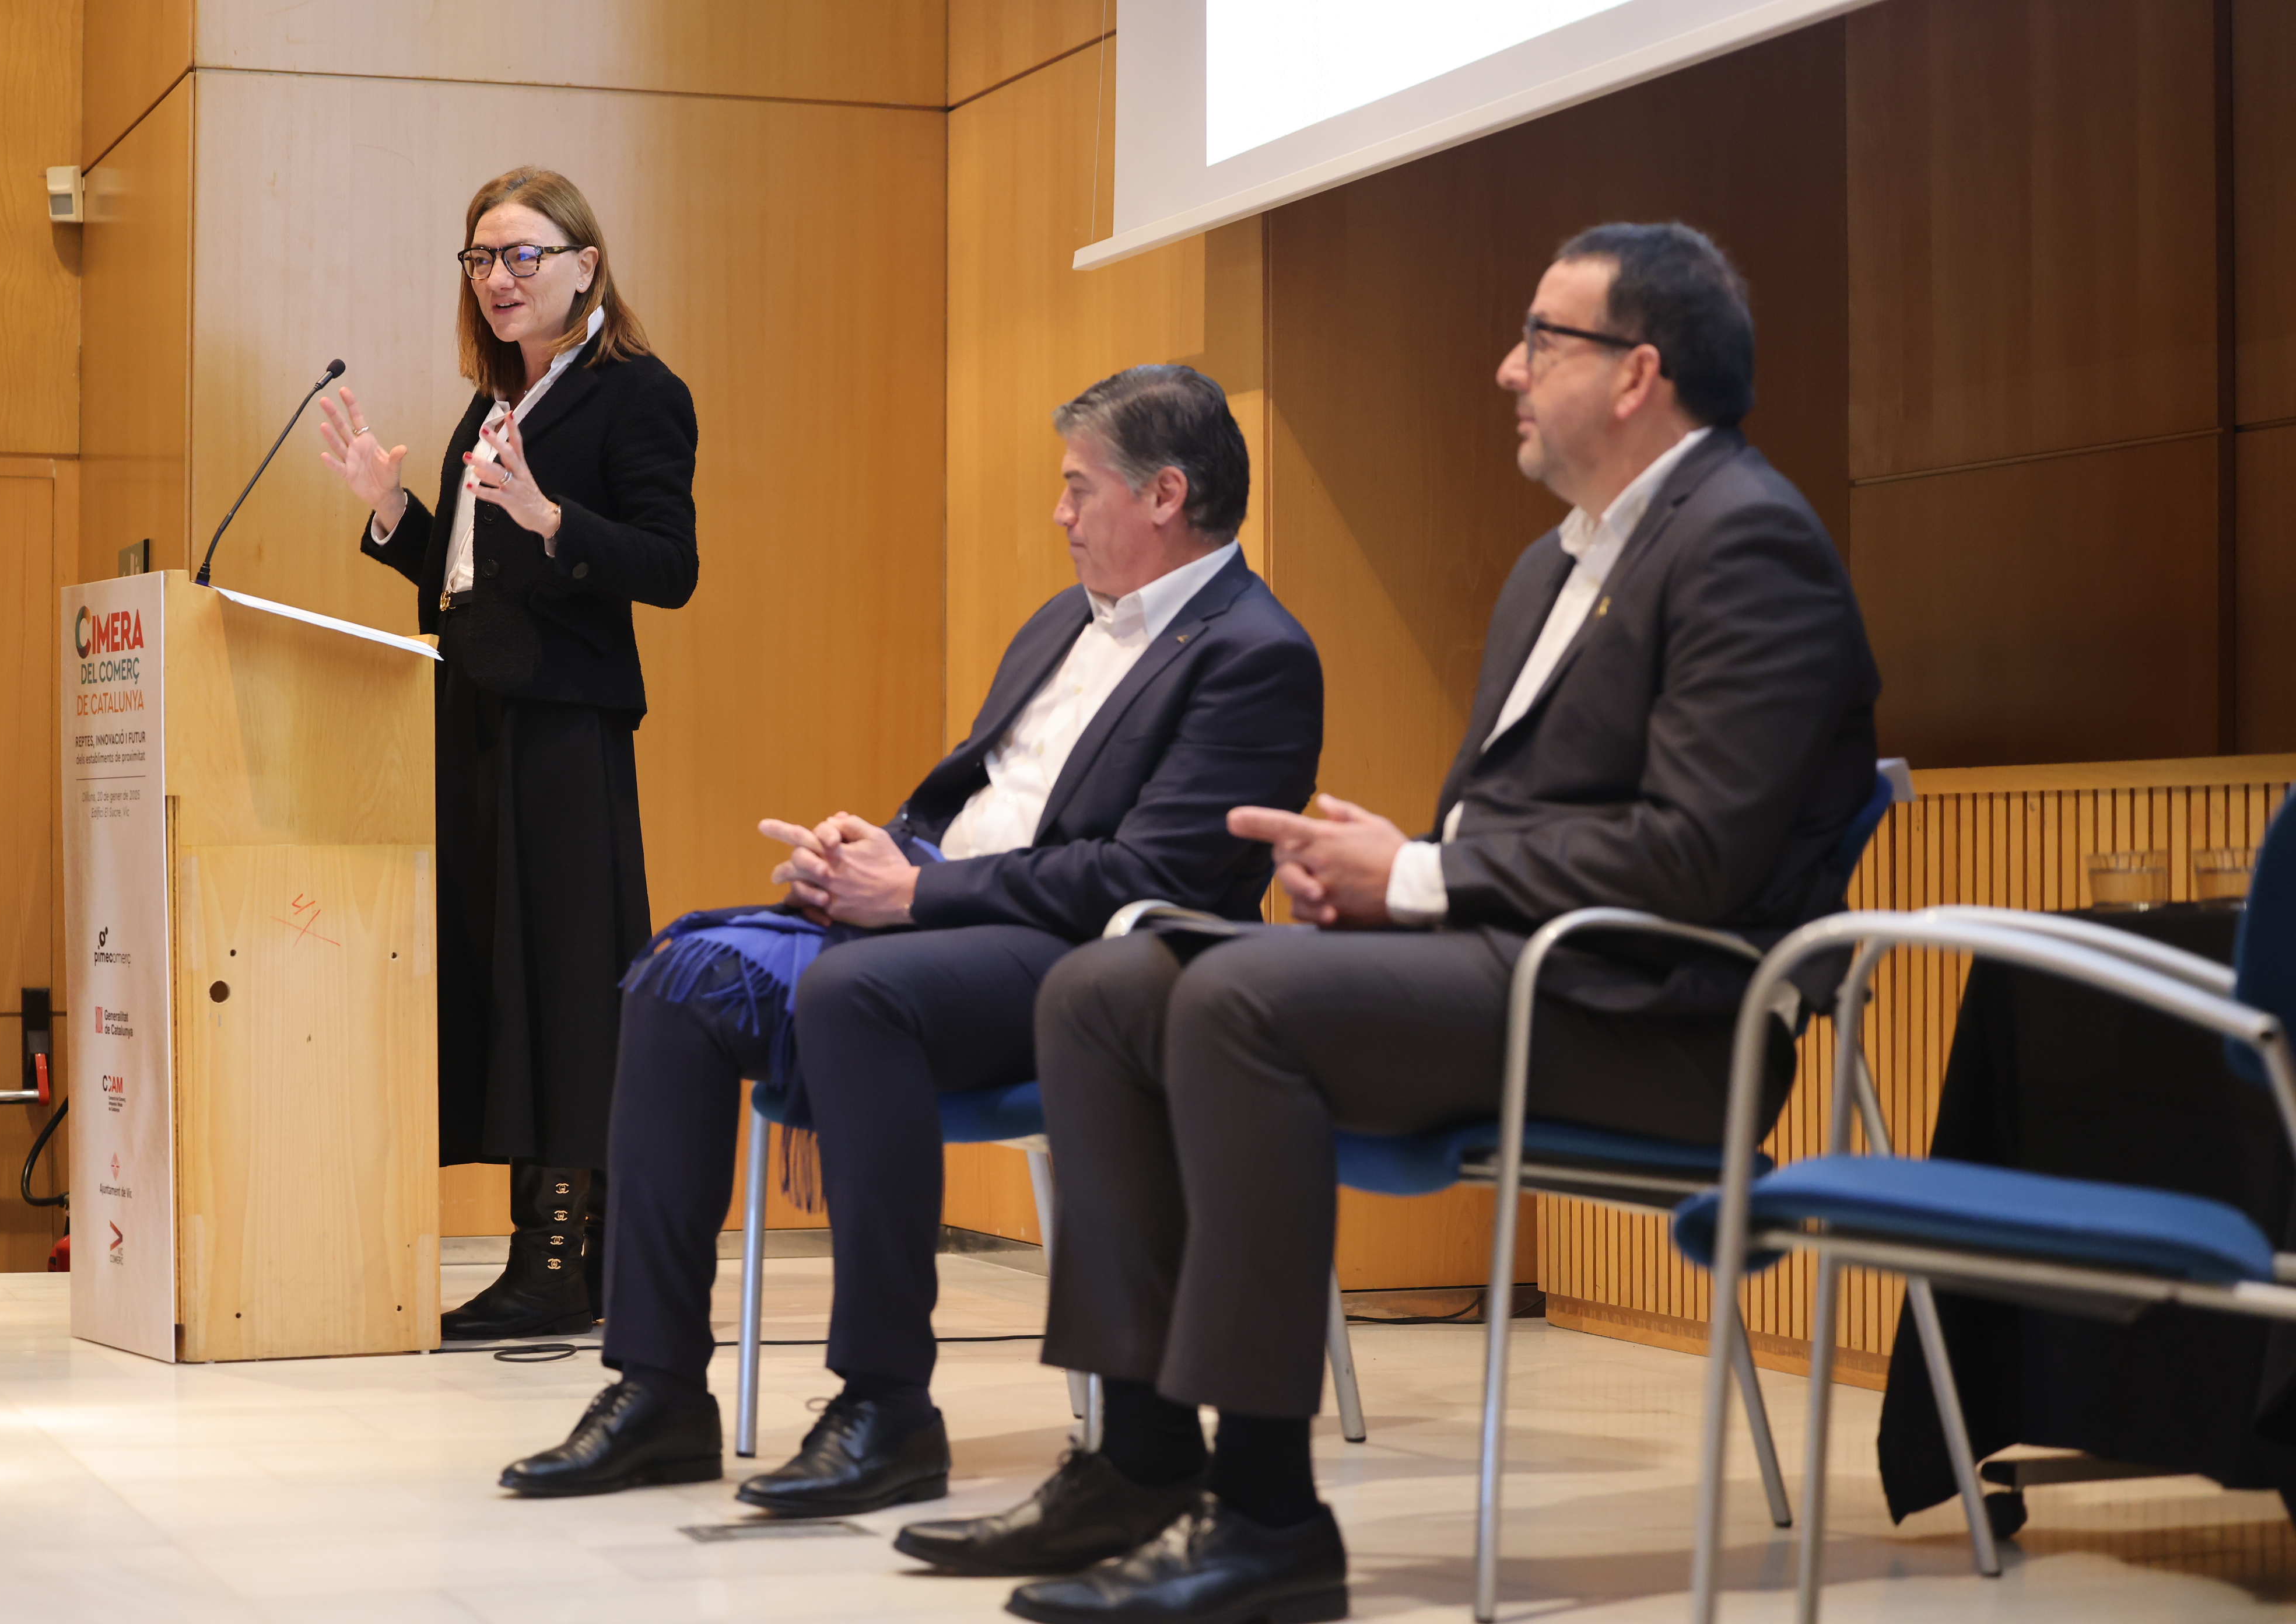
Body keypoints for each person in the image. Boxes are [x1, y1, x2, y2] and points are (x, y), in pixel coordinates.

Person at [895, 223, 1881, 1623]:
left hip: (1664, 1017)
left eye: (1543, 340)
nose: (1508, 369)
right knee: (1109, 988)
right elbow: (1518, 828)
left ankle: (1271, 1521)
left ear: (1639, 372)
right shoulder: (1558, 564)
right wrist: (1370, 869)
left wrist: (1412, 878)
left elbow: (1697, 860)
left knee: (1240, 1003)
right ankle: (1137, 1458)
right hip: (1523, 971)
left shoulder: (1748, 545)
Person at [496, 365, 1325, 1516]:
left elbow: (1152, 879)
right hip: (950, 909)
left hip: (1092, 958)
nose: (1061, 513)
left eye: (1080, 489)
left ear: (1166, 496)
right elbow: (969, 804)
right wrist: (870, 855)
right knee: (677, 978)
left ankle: (887, 1403)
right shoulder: (1058, 620)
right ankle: (657, 1389)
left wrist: (915, 902)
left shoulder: (1256, 654)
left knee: (858, 996)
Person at [317, 166, 699, 1340]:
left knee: (569, 987)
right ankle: (539, 1252)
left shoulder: (637, 397)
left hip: (566, 729)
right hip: (474, 721)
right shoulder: (493, 409)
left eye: (525, 254)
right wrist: (393, 515)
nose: (500, 278)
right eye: (482, 257)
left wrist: (552, 520)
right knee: (503, 979)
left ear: (588, 265)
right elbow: (467, 588)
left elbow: (668, 567)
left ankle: (565, 1263)